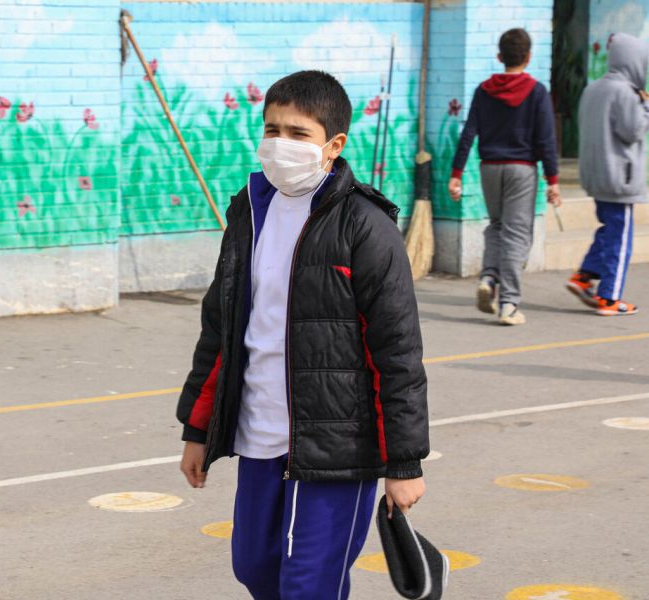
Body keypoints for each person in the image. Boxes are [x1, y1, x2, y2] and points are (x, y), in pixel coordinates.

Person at [176, 70, 429, 599]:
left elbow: (397, 353)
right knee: (255, 568)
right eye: (272, 129)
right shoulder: (249, 211)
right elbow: (220, 329)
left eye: (298, 133)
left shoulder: (365, 224)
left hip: (338, 445)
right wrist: (198, 430)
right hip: (259, 432)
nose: (280, 143)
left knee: (309, 586)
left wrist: (403, 463)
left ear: (334, 145)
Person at [449, 28, 561, 326]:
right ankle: (509, 303)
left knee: (497, 226)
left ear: (500, 57)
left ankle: (489, 276)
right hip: (521, 170)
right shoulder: (537, 92)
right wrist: (553, 180)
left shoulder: (483, 90)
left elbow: (469, 132)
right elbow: (546, 140)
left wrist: (456, 173)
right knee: (516, 234)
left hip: (489, 167)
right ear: (528, 57)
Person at [566, 33, 649, 316]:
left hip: (597, 174)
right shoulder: (625, 93)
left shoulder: (593, 88)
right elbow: (633, 130)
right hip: (619, 177)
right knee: (620, 238)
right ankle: (610, 297)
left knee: (609, 229)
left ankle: (584, 275)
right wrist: (646, 106)